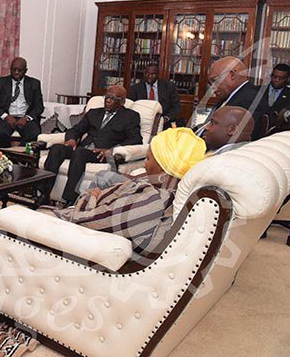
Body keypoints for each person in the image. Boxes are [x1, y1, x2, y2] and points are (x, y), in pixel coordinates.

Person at [48, 127, 206, 264]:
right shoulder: (167, 192)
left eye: (148, 159)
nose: (145, 164)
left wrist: (91, 195)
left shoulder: (151, 201)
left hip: (68, 232)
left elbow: (81, 220)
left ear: (164, 170)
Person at [89, 106, 254, 190]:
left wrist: (138, 180)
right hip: (158, 187)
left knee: (103, 177)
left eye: (213, 123)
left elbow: (174, 181)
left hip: (156, 196)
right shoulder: (234, 152)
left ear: (232, 130)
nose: (207, 128)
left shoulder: (224, 160)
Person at [42, 85, 142, 205]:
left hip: (101, 154)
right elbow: (76, 129)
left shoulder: (130, 116)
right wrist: (72, 139)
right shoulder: (94, 113)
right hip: (83, 149)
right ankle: (44, 194)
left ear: (122, 102)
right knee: (57, 148)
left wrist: (111, 150)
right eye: (106, 97)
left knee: (79, 152)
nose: (107, 100)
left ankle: (70, 199)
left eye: (112, 98)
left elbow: (136, 139)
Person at [199, 57, 269, 140]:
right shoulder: (230, 96)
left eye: (215, 80)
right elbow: (207, 125)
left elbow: (232, 139)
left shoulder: (249, 100)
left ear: (232, 75)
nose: (212, 88)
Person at [0, 57, 44, 148]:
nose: (16, 72)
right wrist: (6, 116)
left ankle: (20, 154)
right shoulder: (1, 82)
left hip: (25, 118)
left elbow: (39, 106)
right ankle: (5, 153)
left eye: (19, 70)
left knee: (34, 133)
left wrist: (27, 118)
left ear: (25, 71)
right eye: (14, 70)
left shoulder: (34, 84)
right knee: (0, 133)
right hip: (6, 118)